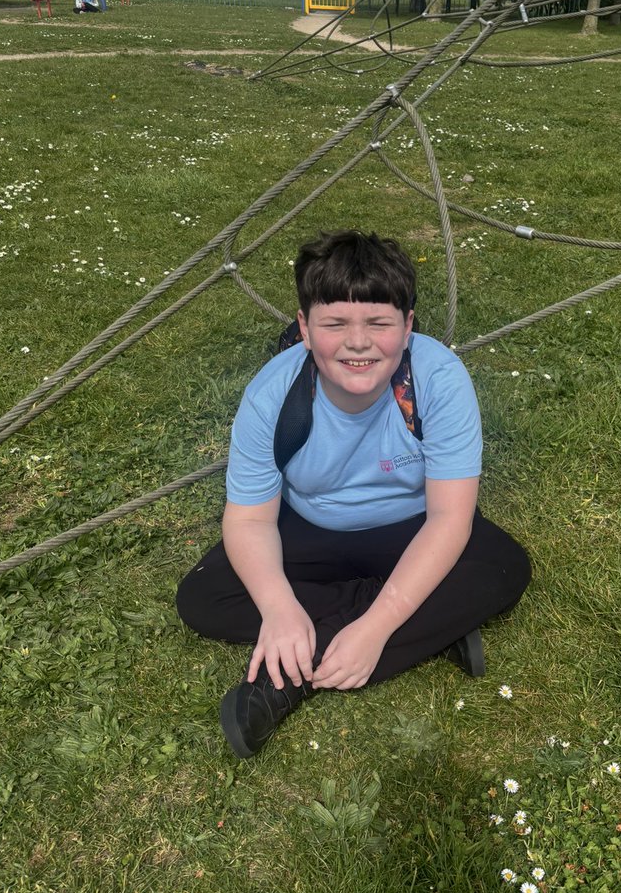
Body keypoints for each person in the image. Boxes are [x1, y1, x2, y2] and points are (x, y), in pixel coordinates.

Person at [176, 230, 531, 758]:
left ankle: (289, 679)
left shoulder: (439, 379)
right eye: (334, 323)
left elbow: (450, 520)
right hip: (311, 529)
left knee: (504, 566)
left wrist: (377, 627)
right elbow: (249, 521)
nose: (358, 342)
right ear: (303, 328)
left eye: (379, 323)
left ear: (408, 327)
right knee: (205, 596)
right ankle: (435, 620)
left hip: (411, 527)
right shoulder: (272, 394)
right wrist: (277, 609)